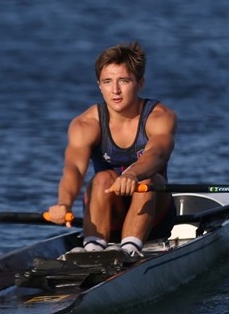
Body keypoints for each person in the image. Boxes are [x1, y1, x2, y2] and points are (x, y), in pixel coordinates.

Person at [46, 42, 176, 259]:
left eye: (123, 81)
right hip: (108, 211)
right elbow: (74, 170)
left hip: (156, 217)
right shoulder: (85, 124)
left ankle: (129, 250)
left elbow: (157, 154)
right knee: (102, 178)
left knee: (147, 180)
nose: (115, 90)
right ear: (99, 85)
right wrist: (63, 203)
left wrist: (133, 174)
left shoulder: (159, 117)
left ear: (140, 83)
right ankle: (93, 248)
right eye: (107, 82)